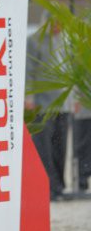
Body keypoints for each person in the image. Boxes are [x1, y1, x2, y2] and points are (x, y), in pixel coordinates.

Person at [25, 18, 70, 200]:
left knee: (61, 147)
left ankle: (59, 186)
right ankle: (49, 186)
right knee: (44, 148)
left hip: (63, 104)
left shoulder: (66, 40)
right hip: (42, 105)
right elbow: (29, 70)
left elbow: (70, 68)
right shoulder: (34, 41)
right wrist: (29, 97)